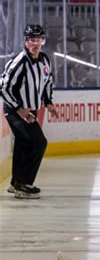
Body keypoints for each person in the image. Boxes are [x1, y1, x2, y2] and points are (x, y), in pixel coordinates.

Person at [0, 24, 58, 199]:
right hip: (14, 110)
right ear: (26, 41)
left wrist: (49, 103)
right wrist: (19, 109)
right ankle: (24, 184)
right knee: (39, 142)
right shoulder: (20, 61)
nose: (36, 43)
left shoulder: (45, 60)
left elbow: (47, 82)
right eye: (32, 40)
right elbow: (3, 87)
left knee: (24, 144)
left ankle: (16, 183)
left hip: (29, 110)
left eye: (39, 40)